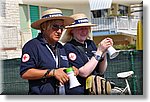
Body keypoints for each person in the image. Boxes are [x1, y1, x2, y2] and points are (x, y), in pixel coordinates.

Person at [20, 8, 79, 95]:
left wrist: (72, 70)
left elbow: (62, 68)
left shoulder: (61, 47)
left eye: (62, 27)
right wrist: (52, 73)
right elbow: (25, 73)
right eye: (55, 26)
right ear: (44, 27)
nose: (59, 31)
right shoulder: (32, 46)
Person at [60, 13, 114, 94]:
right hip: (80, 92)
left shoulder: (90, 43)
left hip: (95, 90)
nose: (84, 31)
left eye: (86, 28)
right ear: (72, 31)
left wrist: (104, 53)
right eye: (80, 29)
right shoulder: (69, 47)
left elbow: (101, 71)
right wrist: (99, 51)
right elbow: (83, 73)